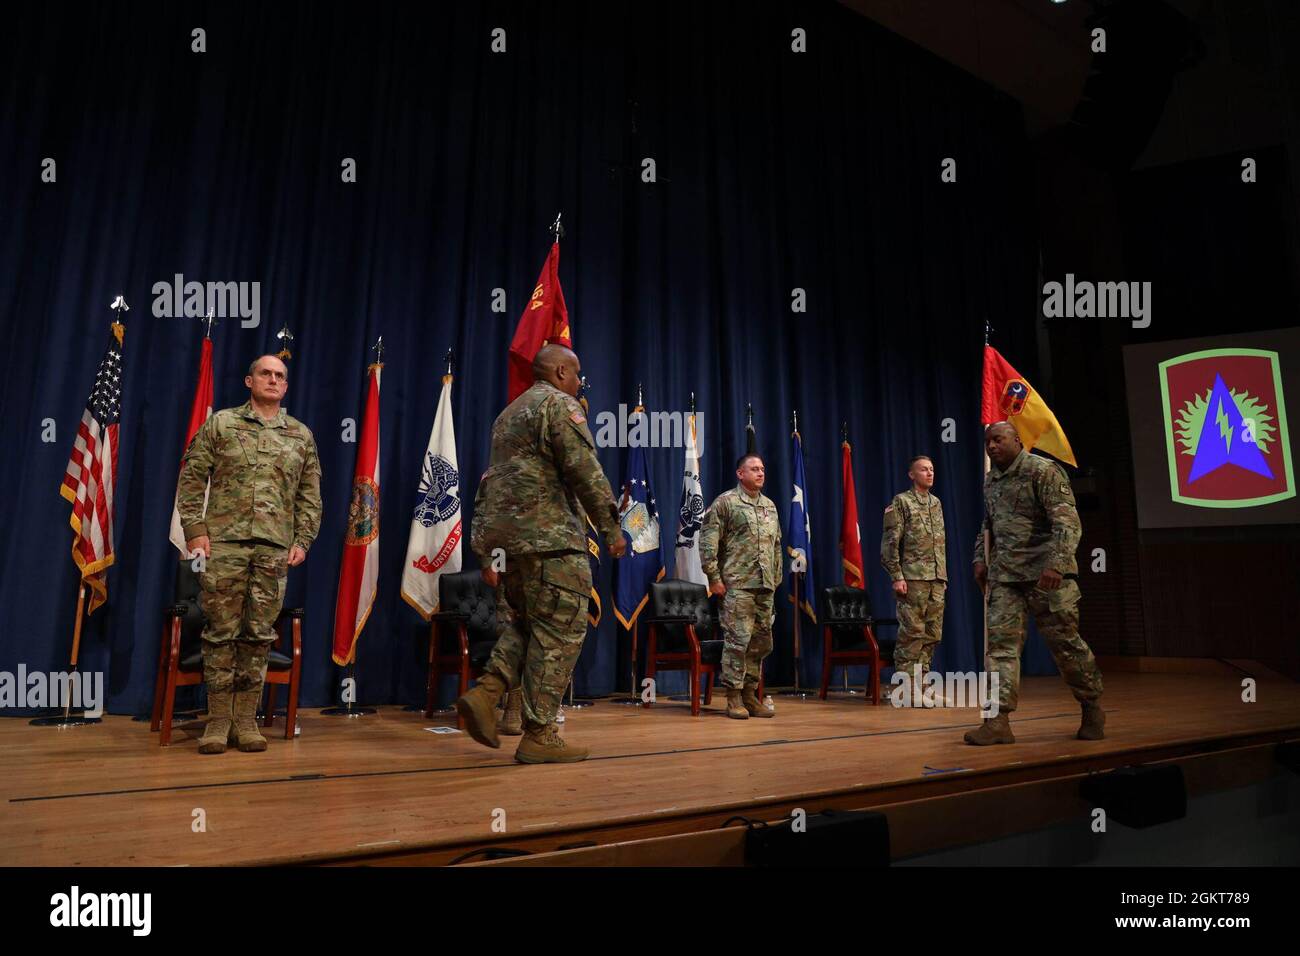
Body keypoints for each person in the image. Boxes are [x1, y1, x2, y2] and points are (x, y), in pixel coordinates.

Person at [456, 344, 626, 763]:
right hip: (551, 541)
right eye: (578, 373)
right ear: (562, 372)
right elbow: (583, 469)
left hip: (510, 546)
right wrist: (610, 528)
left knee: (528, 627)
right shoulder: (558, 404)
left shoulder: (507, 414)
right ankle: (540, 733)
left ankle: (487, 692)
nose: (581, 381)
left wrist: (485, 550)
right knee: (563, 630)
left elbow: (490, 482)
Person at [178, 354, 322, 754]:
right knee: (221, 634)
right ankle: (217, 721)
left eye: (280, 376)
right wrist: (195, 531)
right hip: (222, 544)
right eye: (266, 373)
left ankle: (246, 721)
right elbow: (191, 478)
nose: (273, 380)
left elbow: (310, 495)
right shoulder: (222, 423)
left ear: (286, 386)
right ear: (249, 380)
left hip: (274, 549)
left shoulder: (300, 435)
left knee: (258, 635)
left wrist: (303, 539)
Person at [967, 422, 1105, 745]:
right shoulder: (991, 481)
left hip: (1047, 577)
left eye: (998, 440)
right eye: (987, 441)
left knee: (1066, 646)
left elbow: (1066, 521)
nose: (991, 447)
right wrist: (979, 558)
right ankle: (997, 721)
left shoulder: (1042, 471)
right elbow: (988, 525)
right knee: (999, 649)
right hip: (1005, 577)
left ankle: (1092, 706)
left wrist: (1057, 564)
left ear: (1017, 440)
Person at [699, 454, 783, 719]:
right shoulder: (726, 503)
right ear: (740, 473)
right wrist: (714, 577)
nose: (760, 473)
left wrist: (776, 578)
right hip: (737, 585)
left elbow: (777, 545)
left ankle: (750, 694)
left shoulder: (769, 505)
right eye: (754, 469)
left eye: (762, 468)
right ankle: (733, 697)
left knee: (761, 643)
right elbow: (708, 542)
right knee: (738, 641)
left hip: (764, 586)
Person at [880, 455, 947, 698]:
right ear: (912, 474)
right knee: (912, 634)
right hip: (913, 578)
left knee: (932, 634)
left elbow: (938, 543)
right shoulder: (901, 502)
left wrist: (942, 578)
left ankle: (923, 686)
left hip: (936, 579)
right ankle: (906, 688)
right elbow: (890, 543)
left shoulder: (936, 503)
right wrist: (897, 576)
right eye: (923, 469)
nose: (929, 473)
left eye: (931, 469)